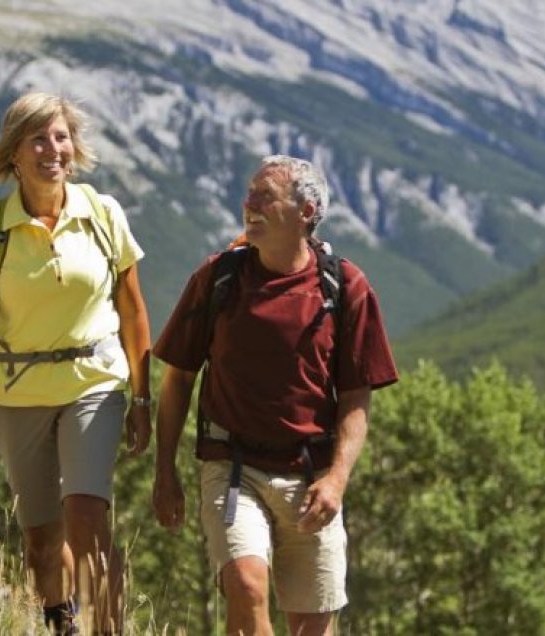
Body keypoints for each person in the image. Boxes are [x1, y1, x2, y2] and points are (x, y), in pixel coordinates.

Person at [0, 92, 151, 634]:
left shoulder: (103, 214)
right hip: (16, 394)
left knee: (87, 518)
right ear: (15, 154)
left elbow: (134, 310)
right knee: (42, 544)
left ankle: (108, 629)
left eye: (61, 136)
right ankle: (64, 625)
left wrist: (142, 397)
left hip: (94, 385)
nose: (54, 149)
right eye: (39, 138)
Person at [153, 155, 398, 635]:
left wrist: (337, 480)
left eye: (265, 195)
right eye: (249, 194)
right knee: (246, 588)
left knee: (311, 626)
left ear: (306, 211)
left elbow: (355, 398)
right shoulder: (218, 278)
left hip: (312, 477)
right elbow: (177, 377)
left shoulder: (345, 287)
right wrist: (165, 473)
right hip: (232, 466)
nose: (249, 205)